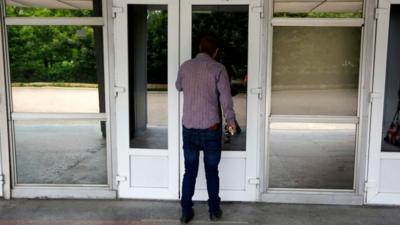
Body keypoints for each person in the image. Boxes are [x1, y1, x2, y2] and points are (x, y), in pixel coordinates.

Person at [176, 35, 237, 223]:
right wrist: (231, 122)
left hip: (189, 128)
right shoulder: (218, 68)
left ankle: (186, 212)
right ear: (216, 51)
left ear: (199, 48)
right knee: (212, 171)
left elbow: (178, 86)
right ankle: (214, 210)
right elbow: (225, 99)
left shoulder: (185, 66)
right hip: (211, 129)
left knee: (189, 171)